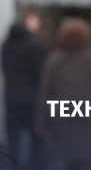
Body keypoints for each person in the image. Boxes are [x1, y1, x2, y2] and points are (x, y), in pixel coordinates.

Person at [35, 17, 91, 170]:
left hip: (64, 117)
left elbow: (45, 92)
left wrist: (41, 119)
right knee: (89, 159)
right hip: (89, 116)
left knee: (68, 160)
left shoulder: (55, 59)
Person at [2, 12, 46, 170]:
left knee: (13, 141)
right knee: (37, 139)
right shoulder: (33, 45)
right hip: (31, 100)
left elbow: (6, 69)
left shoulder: (6, 44)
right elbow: (39, 74)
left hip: (11, 98)